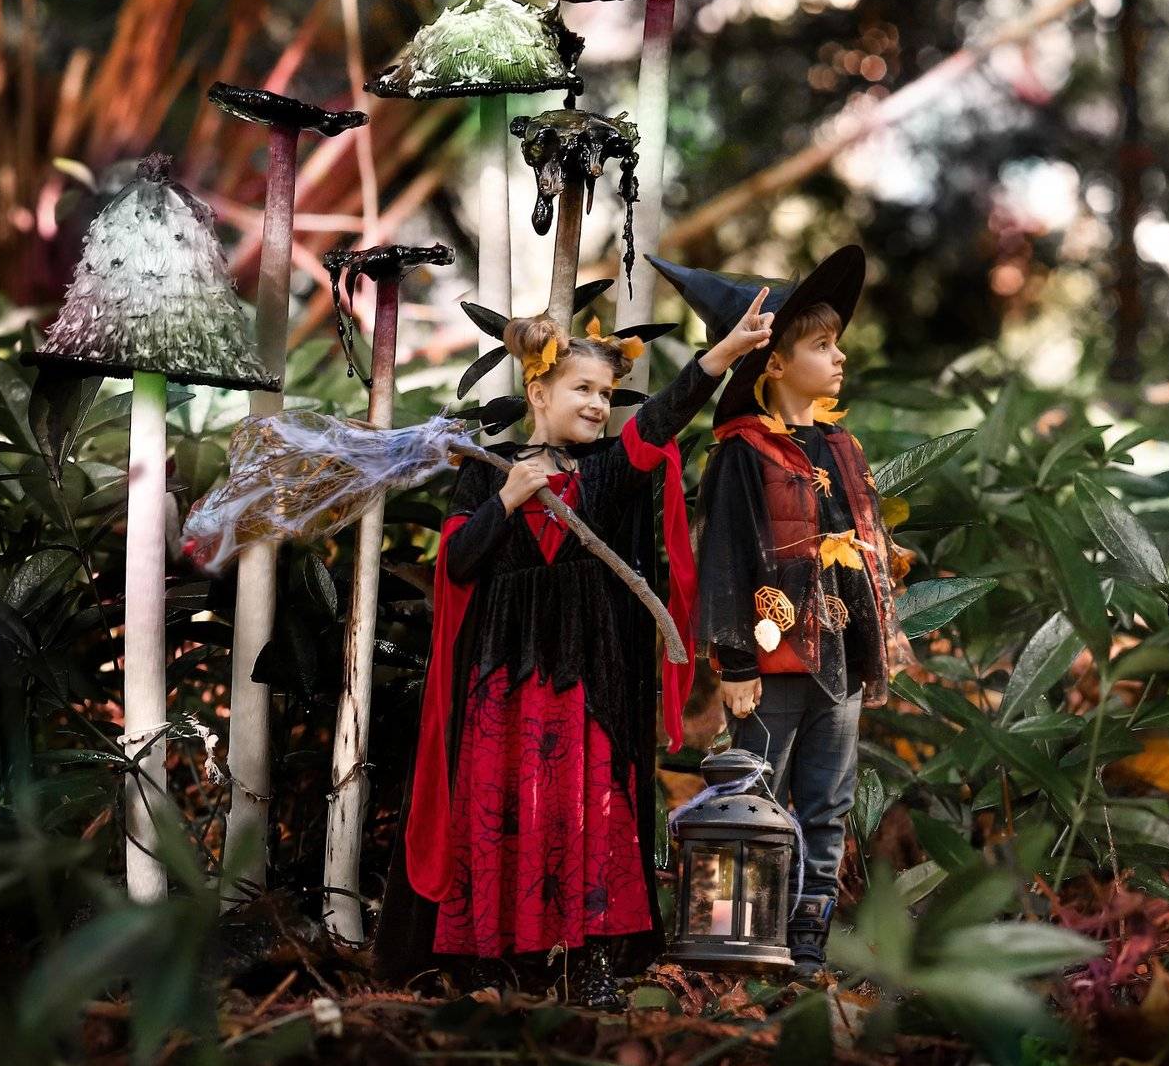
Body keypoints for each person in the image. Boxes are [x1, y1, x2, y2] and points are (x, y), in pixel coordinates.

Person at [376, 298, 772, 1006]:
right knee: (497, 806)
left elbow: (661, 419)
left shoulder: (608, 472)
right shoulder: (487, 469)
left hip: (588, 679)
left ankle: (590, 959)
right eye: (582, 389)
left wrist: (724, 353)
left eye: (606, 393)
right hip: (501, 677)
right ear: (538, 393)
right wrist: (506, 499)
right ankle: (488, 957)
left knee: (593, 808)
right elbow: (457, 565)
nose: (597, 404)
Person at [651, 245, 915, 978]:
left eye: (836, 343)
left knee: (828, 801)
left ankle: (806, 938)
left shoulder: (841, 445)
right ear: (773, 362)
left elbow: (862, 541)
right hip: (774, 660)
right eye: (821, 345)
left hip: (841, 657)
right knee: (753, 795)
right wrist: (736, 661)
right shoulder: (743, 453)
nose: (839, 357)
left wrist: (879, 612)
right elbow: (727, 555)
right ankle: (736, 933)